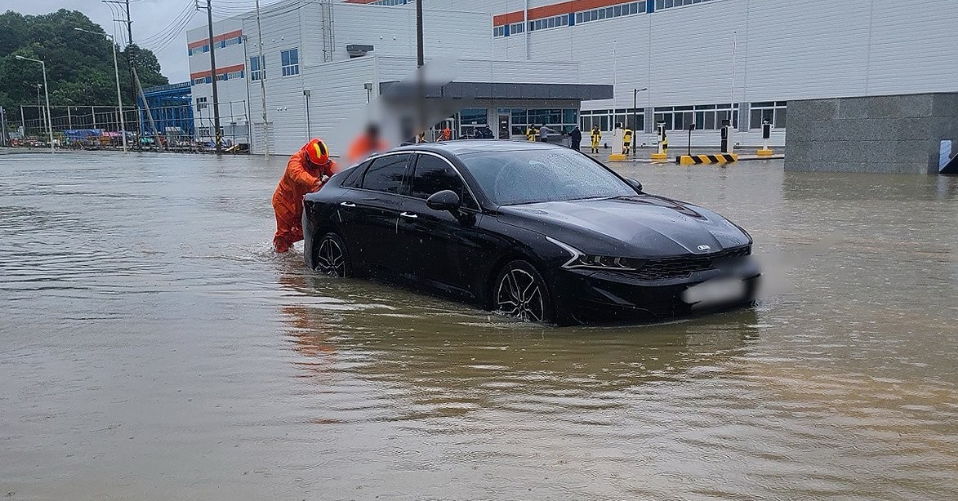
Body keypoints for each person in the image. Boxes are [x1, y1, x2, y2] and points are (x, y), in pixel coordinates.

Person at [272, 138, 338, 253]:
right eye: (315, 165)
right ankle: (281, 259)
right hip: (285, 203)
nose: (318, 168)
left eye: (320, 166)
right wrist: (316, 182)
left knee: (307, 230)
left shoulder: (320, 162)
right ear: (307, 157)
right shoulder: (295, 161)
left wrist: (348, 175)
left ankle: (289, 251)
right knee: (284, 233)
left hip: (301, 202)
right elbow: (298, 175)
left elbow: (334, 169)